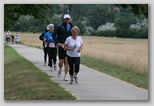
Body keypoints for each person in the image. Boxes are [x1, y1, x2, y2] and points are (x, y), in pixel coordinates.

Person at [53, 14, 73, 81]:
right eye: (65, 19)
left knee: (67, 61)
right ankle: (60, 69)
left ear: (69, 19)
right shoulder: (59, 27)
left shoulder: (72, 27)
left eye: (68, 19)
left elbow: (74, 35)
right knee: (61, 61)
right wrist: (57, 43)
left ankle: (65, 75)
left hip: (68, 46)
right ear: (64, 19)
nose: (67, 20)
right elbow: (53, 35)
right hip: (61, 45)